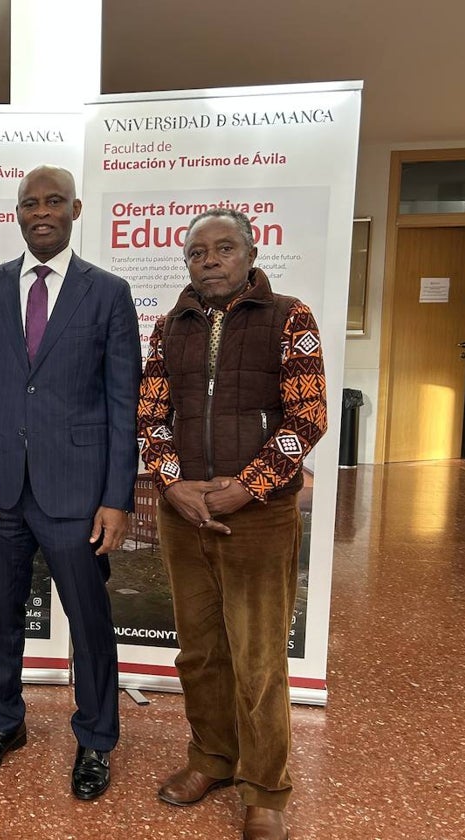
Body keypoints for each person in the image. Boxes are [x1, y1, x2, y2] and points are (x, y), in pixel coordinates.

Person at [0, 165, 141, 801]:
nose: (41, 211)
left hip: (77, 493)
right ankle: (5, 725)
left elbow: (123, 405)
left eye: (54, 201)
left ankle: (95, 738)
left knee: (89, 623)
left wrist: (117, 497)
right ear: (18, 212)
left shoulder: (108, 293)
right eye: (30, 202)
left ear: (76, 209)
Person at [137, 207, 327, 840]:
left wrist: (244, 490)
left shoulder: (289, 317)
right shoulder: (169, 328)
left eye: (223, 249)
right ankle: (211, 760)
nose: (210, 260)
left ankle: (266, 788)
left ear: (250, 253)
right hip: (183, 512)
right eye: (198, 252)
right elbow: (151, 415)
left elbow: (308, 418)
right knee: (200, 652)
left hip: (260, 516)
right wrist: (173, 483)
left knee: (259, 657)